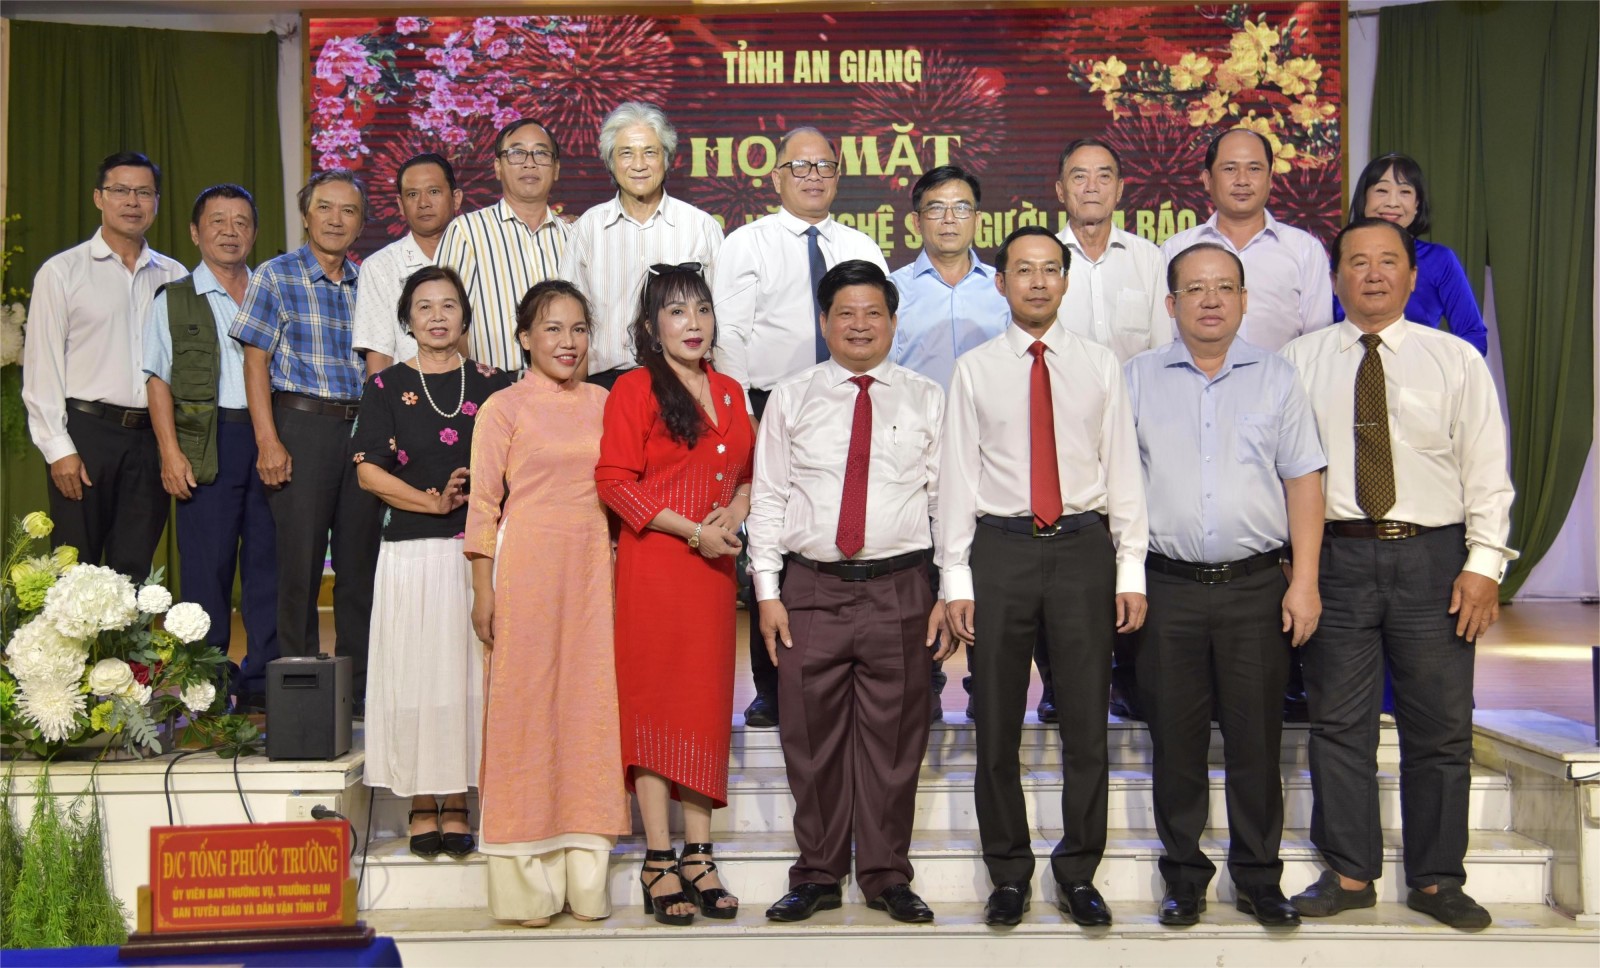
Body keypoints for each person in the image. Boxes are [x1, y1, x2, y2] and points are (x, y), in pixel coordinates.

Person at [1282, 217, 1517, 932]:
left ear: (1414, 277)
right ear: (1336, 278)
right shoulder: (1297, 362)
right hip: (1336, 558)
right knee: (1339, 724)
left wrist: (1484, 564)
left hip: (1433, 560)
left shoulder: (1455, 361)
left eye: (1389, 261)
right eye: (1358, 262)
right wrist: (1297, 567)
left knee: (1440, 729)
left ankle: (1439, 880)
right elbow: (1280, 473)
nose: (1374, 273)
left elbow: (1487, 471)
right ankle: (1350, 873)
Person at [940, 226, 1148, 928]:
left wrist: (1130, 567)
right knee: (996, 723)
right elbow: (957, 478)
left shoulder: (1099, 364)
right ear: (1000, 283)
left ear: (1066, 280)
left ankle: (1078, 872)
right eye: (1023, 270)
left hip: (1084, 549)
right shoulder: (974, 369)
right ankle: (1008, 875)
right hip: (1000, 551)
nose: (1037, 281)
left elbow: (1123, 469)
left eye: (1050, 269)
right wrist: (956, 580)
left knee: (1086, 723)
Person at [1125, 242, 1326, 928]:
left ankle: (1259, 878)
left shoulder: (1277, 378)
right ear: (1171, 303)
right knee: (1176, 742)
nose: (1210, 300)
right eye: (1195, 288)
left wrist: (1304, 581)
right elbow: (1118, 487)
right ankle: (1183, 876)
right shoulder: (1137, 379)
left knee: (1256, 740)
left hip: (1255, 588)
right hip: (1166, 588)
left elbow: (1304, 482)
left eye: (1224, 287)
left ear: (1243, 299)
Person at [752, 261, 949, 925]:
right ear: (823, 321)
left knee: (896, 743)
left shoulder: (927, 398)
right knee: (810, 740)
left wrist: (949, 589)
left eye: (873, 313)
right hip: (811, 588)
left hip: (902, 587)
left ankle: (888, 875)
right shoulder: (791, 397)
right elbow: (770, 497)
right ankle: (818, 874)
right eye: (845, 313)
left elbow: (945, 500)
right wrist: (767, 591)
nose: (859, 325)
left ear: (893, 321)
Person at [466, 280, 630, 926]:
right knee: (524, 708)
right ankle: (525, 880)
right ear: (525, 338)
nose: (568, 342)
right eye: (553, 328)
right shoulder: (502, 408)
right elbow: (484, 504)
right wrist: (483, 589)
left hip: (592, 568)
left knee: (591, 706)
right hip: (526, 567)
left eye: (579, 329)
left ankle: (585, 873)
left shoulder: (606, 403)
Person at [712, 126, 888, 729]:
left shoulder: (859, 244)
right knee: (772, 539)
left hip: (848, 399)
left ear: (838, 175)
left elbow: (879, 330)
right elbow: (730, 336)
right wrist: (746, 413)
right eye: (800, 167)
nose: (813, 177)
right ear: (777, 177)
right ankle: (772, 685)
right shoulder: (747, 243)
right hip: (768, 405)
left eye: (824, 167)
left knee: (840, 533)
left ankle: (844, 670)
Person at [597, 265, 753, 925]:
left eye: (702, 310)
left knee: (704, 706)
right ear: (651, 325)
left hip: (713, 573)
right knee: (655, 705)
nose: (694, 324)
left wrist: (736, 511)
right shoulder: (634, 388)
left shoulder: (732, 390)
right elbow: (614, 483)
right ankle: (658, 857)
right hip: (657, 565)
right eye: (678, 312)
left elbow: (748, 474)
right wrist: (693, 531)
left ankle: (700, 853)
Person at [351, 265, 509, 859]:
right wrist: (432, 502)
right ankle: (421, 798)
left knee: (469, 675)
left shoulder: (496, 385)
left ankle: (461, 795)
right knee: (419, 673)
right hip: (411, 553)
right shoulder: (386, 386)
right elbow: (368, 472)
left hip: (479, 553)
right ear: (406, 320)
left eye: (448, 305)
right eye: (424, 307)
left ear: (464, 316)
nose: (438, 316)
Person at [231, 170, 381, 700]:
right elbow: (255, 362)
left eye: (348, 210)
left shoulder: (368, 281)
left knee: (359, 567)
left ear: (361, 222)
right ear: (305, 215)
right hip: (301, 425)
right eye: (325, 208)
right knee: (299, 566)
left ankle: (358, 692)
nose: (336, 219)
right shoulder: (275, 276)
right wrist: (268, 440)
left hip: (360, 428)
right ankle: (301, 694)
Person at [142, 184, 278, 710]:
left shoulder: (271, 291)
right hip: (206, 441)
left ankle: (263, 683)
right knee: (206, 568)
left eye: (241, 222)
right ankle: (209, 689)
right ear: (196, 233)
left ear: (254, 233)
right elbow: (158, 380)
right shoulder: (173, 298)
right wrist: (170, 452)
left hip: (269, 438)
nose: (230, 231)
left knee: (268, 563)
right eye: (217, 221)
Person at [23, 151, 185, 578]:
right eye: (120, 190)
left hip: (151, 438)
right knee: (75, 569)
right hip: (86, 434)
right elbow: (41, 368)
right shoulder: (62, 272)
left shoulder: (174, 276)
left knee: (133, 569)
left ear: (156, 201)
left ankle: (129, 629)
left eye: (144, 192)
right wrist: (59, 449)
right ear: (99, 197)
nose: (132, 201)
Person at [1055, 136, 1173, 722]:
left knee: (1132, 552)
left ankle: (1127, 678)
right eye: (1079, 176)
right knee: (1068, 563)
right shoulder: (1044, 259)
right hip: (1063, 437)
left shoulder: (1149, 260)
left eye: (1104, 175)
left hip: (1136, 435)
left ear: (1121, 189)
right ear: (1060, 190)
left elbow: (1163, 351)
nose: (1092, 186)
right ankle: (1060, 682)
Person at [888, 165, 1010, 725]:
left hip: (994, 453)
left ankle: (990, 683)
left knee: (989, 569)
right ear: (916, 221)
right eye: (935, 208)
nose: (949, 219)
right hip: (918, 453)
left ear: (978, 218)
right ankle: (927, 682)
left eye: (961, 207)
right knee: (922, 573)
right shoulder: (894, 290)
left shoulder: (1002, 288)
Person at [559, 102, 724, 389]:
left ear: (666, 159)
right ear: (611, 162)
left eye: (650, 152)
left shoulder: (700, 226)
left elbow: (723, 314)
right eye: (626, 153)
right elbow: (568, 316)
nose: (638, 165)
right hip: (606, 383)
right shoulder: (588, 228)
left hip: (684, 380)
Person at [1161, 129, 1333, 352]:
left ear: (1270, 178)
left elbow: (1317, 344)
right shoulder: (1176, 249)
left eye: (1254, 169)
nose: (1242, 181)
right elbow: (1165, 336)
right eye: (1230, 169)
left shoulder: (1305, 250)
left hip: (1282, 375)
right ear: (1207, 180)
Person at [437, 118, 570, 373]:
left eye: (541, 153)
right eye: (517, 153)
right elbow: (447, 320)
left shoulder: (573, 237)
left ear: (556, 168)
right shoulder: (466, 232)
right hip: (492, 387)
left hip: (564, 387)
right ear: (498, 167)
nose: (529, 163)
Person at [1335, 153, 1488, 355]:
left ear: (1417, 205)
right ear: (1364, 199)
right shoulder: (1339, 256)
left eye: (1405, 192)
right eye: (1382, 190)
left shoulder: (1439, 260)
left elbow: (1474, 338)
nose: (1392, 202)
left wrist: (1429, 365)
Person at [352, 153, 464, 375]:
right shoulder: (380, 266)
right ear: (400, 205)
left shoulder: (479, 255)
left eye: (434, 191)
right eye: (412, 194)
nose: (423, 203)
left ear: (456, 198)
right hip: (409, 393)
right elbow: (380, 357)